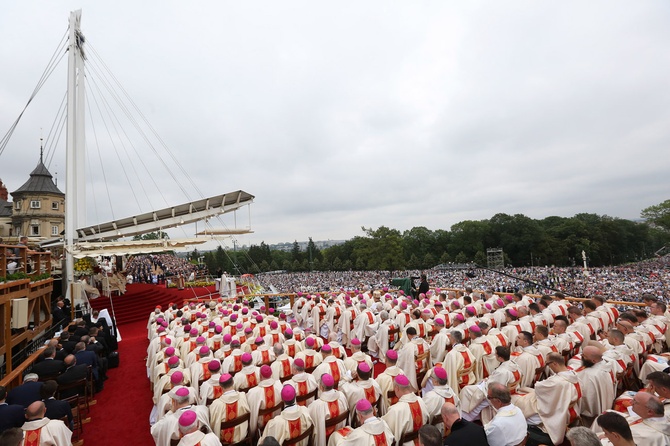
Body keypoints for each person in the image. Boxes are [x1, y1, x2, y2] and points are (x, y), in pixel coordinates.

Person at [382, 375, 429, 446]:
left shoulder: (396, 410)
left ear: (397, 388)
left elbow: (387, 429)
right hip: (423, 442)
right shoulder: (421, 401)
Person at [327, 398, 394, 446]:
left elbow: (341, 444)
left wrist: (347, 437)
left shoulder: (358, 434)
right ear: (373, 410)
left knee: (335, 437)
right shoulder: (384, 424)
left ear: (360, 416)